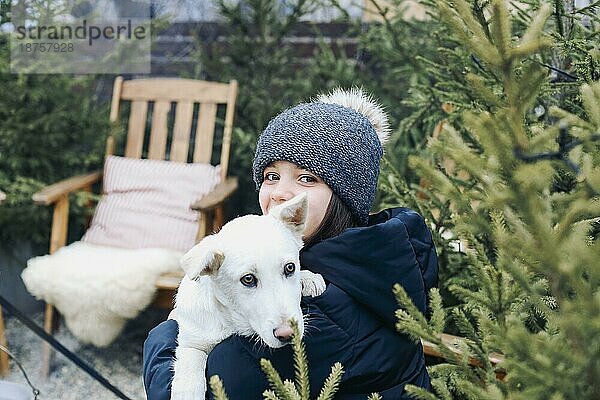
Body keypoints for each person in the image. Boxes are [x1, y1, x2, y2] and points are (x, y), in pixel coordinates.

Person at [143, 88, 439, 399]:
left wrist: (168, 330)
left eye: (307, 178)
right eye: (271, 176)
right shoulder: (368, 260)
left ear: (345, 195)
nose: (282, 193)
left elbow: (215, 385)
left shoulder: (324, 306)